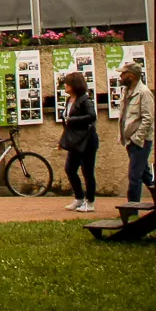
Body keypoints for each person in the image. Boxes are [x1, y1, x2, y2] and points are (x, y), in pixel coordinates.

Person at [59, 69, 98, 213]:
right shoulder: (69, 100)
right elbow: (67, 122)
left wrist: (73, 120)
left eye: (67, 84)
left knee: (87, 171)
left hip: (87, 140)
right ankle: (79, 197)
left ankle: (90, 201)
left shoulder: (85, 100)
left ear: (74, 85)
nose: (65, 86)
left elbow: (92, 116)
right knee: (70, 169)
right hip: (75, 140)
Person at [117, 61, 156, 205]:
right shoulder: (126, 91)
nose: (120, 76)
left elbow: (148, 119)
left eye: (123, 73)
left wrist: (137, 138)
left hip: (140, 141)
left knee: (135, 175)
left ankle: (132, 207)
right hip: (129, 140)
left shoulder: (144, 93)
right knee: (145, 174)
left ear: (131, 76)